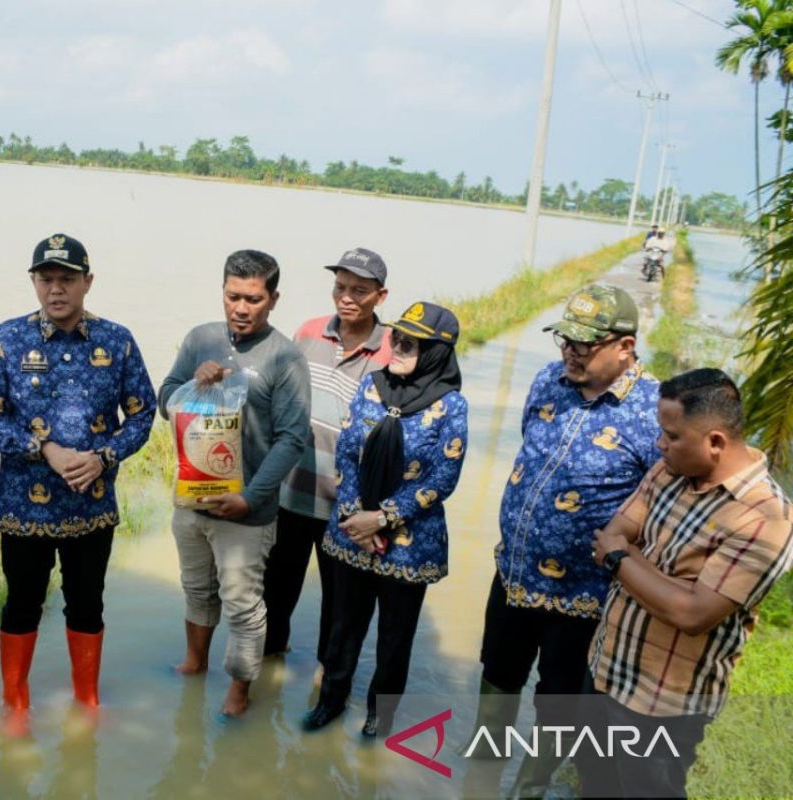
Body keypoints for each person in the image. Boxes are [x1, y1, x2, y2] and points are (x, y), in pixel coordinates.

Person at [468, 284, 661, 796]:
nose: (570, 352)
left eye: (585, 344)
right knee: (498, 673)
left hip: (583, 594)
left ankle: (530, 787)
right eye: (565, 340)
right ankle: (482, 774)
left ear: (625, 346)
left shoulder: (654, 410)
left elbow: (657, 506)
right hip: (514, 573)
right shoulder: (547, 380)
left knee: (560, 698)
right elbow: (530, 451)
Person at [581, 369, 792, 798]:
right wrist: (664, 583)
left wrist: (622, 560)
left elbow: (692, 614)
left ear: (715, 442)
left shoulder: (764, 519)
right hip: (605, 669)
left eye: (672, 435)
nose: (661, 444)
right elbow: (613, 533)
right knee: (594, 783)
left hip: (663, 704)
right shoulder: (669, 471)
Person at [0, 233, 156, 717]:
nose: (56, 289)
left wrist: (104, 457)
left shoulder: (117, 341)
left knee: (87, 604)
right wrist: (42, 448)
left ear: (87, 282)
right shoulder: (6, 339)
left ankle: (87, 700)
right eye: (46, 278)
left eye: (67, 279)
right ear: (33, 281)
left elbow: (142, 414)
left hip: (91, 506)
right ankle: (15, 705)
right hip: (23, 507)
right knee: (21, 603)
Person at [303, 302, 467, 738]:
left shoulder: (451, 406)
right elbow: (346, 452)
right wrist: (355, 517)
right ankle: (330, 702)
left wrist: (383, 519)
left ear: (435, 352)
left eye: (412, 343)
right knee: (343, 627)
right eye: (398, 338)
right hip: (353, 532)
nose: (398, 347)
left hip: (409, 542)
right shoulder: (373, 385)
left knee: (395, 637)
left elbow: (443, 477)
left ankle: (381, 716)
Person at [159, 249, 311, 717]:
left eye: (253, 299)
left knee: (243, 603)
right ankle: (195, 662)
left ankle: (239, 690)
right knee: (196, 588)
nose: (241, 308)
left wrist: (249, 497)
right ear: (222, 292)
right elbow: (165, 399)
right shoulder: (200, 339)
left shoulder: (285, 357)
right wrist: (192, 385)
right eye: (233, 296)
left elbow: (292, 438)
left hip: (246, 511)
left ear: (273, 299)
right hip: (192, 498)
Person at [263, 248, 394, 662]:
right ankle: (267, 669)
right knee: (274, 594)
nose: (347, 297)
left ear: (381, 296)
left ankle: (328, 679)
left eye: (359, 290)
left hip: (348, 508)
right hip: (291, 492)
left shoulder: (392, 350)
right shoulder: (308, 332)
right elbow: (279, 398)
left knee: (341, 607)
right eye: (340, 287)